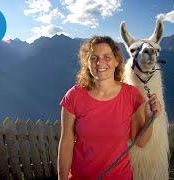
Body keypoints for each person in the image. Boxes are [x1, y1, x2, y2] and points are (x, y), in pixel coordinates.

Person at [57, 36, 162, 180]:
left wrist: (151, 118)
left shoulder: (132, 95)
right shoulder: (74, 96)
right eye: (94, 58)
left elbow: (141, 142)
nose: (100, 63)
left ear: (116, 61)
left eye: (107, 57)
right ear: (87, 63)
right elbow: (66, 143)